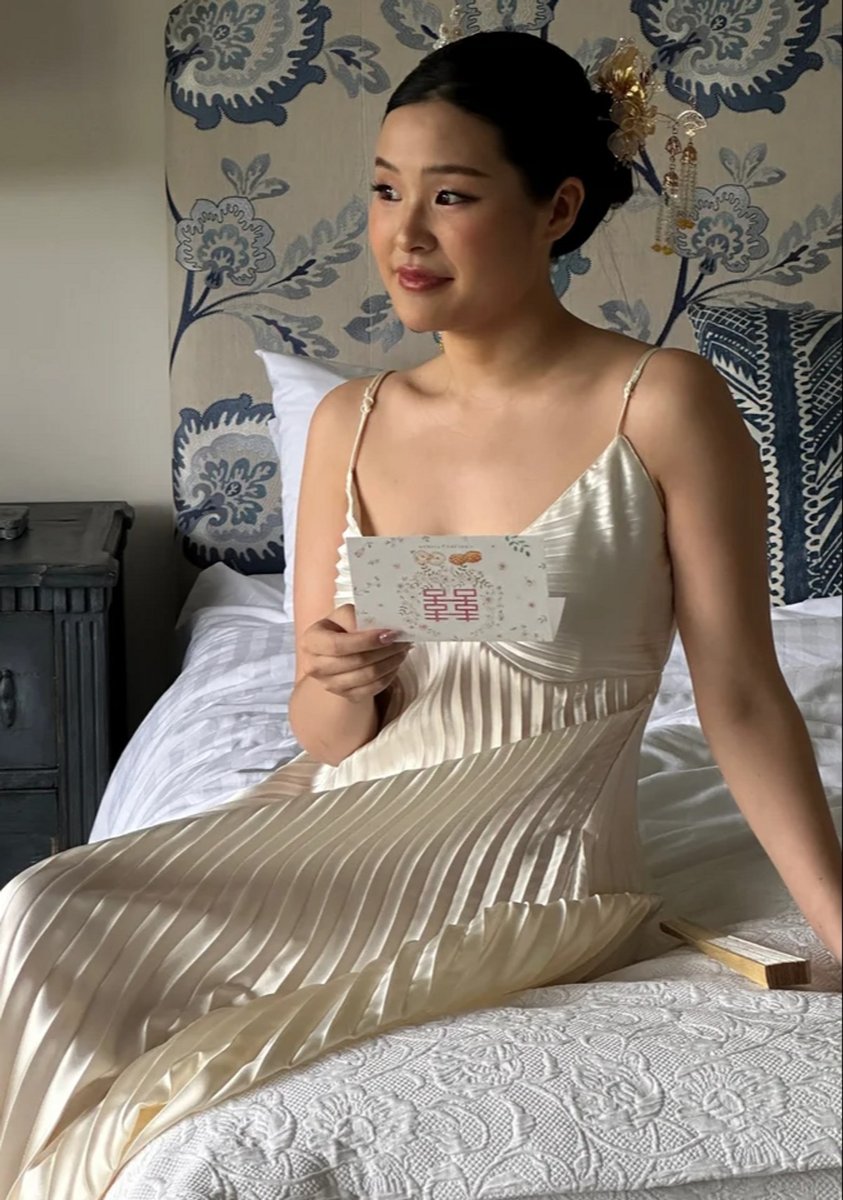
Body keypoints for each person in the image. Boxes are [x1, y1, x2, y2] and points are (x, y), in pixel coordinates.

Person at [0, 29, 840, 1200]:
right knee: (42, 907)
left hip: (527, 864)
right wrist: (331, 691)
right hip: (349, 811)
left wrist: (835, 916)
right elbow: (322, 725)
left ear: (557, 207)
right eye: (386, 192)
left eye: (451, 196)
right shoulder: (349, 420)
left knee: (150, 1016)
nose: (404, 235)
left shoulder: (661, 404)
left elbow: (742, 692)